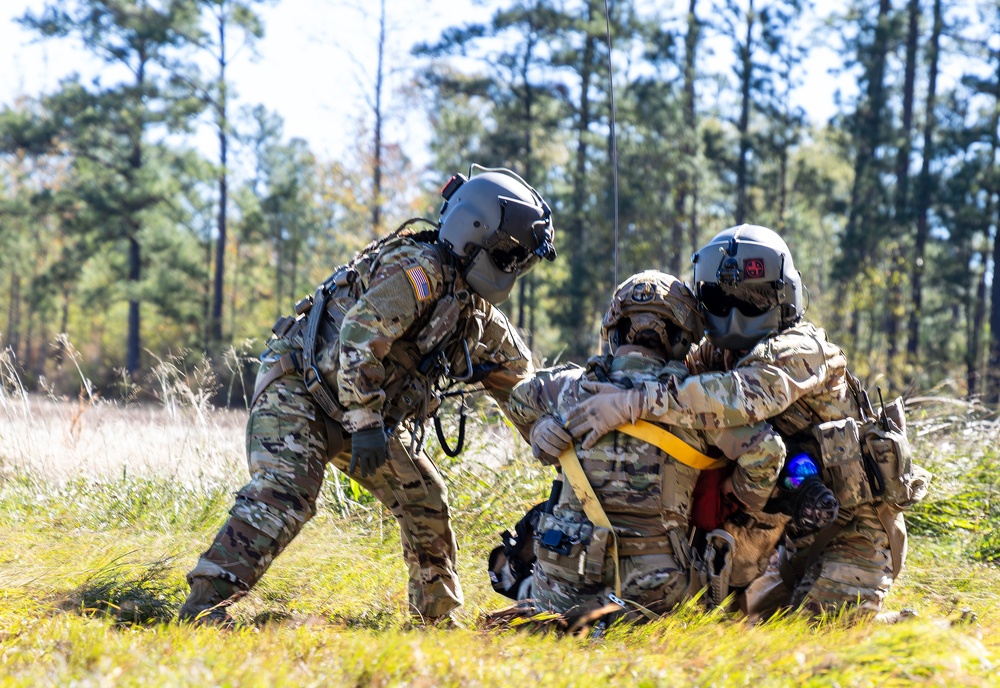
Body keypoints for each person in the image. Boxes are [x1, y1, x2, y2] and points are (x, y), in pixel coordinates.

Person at [179, 165, 557, 625]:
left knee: (425, 500)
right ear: (474, 233)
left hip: (360, 413)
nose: (514, 267)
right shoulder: (421, 270)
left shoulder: (474, 313)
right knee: (287, 490)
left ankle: (435, 623)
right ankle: (203, 608)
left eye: (521, 259)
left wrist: (562, 443)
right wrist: (366, 424)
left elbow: (522, 386)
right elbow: (359, 334)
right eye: (509, 254)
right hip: (301, 389)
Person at [565, 224, 928, 618]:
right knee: (736, 625)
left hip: (852, 527)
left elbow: (742, 396)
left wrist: (634, 402)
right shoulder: (714, 354)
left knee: (821, 633)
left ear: (784, 296)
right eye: (721, 299)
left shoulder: (803, 350)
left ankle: (913, 629)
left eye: (753, 299)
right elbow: (649, 378)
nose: (736, 314)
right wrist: (559, 418)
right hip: (779, 531)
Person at [502, 270, 789, 623]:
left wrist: (540, 429)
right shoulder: (691, 404)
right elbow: (768, 452)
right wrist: (734, 494)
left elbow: (519, 399)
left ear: (614, 329)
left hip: (559, 585)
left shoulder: (568, 387)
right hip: (653, 597)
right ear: (684, 338)